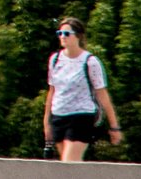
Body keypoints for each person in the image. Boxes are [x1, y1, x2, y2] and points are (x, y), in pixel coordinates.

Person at [44, 15, 124, 161]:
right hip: (59, 115)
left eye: (67, 34)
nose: (63, 37)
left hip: (81, 116)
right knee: (66, 167)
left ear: (78, 36)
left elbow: (102, 94)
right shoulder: (55, 59)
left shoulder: (90, 62)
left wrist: (114, 126)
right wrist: (46, 122)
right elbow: (52, 91)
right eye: (60, 33)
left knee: (69, 164)